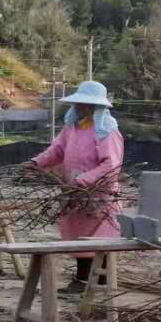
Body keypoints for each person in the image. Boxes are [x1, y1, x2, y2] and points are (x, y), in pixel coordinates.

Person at [31, 79, 125, 295]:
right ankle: (83, 281)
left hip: (98, 195)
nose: (81, 107)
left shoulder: (106, 131)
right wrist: (37, 162)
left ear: (96, 107)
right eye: (79, 104)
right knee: (80, 239)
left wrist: (84, 180)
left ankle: (100, 286)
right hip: (75, 194)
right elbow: (57, 150)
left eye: (85, 104)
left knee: (98, 240)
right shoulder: (72, 128)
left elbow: (111, 164)